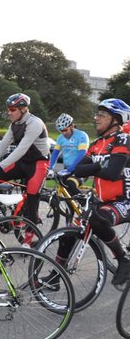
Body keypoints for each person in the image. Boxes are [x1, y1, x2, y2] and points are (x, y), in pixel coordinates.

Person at [57, 98, 130, 286]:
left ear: (116, 120)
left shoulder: (123, 140)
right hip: (104, 200)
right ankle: (56, 275)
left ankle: (123, 259)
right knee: (69, 234)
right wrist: (74, 180)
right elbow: (79, 170)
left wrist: (92, 168)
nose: (96, 118)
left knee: (97, 219)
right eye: (97, 114)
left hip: (125, 200)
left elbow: (113, 173)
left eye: (102, 115)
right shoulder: (98, 143)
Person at [0, 93, 49, 247]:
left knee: (32, 201)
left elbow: (20, 149)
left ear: (23, 109)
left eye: (12, 109)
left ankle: (27, 243)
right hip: (23, 162)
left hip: (38, 164)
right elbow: (3, 145)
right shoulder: (15, 124)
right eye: (8, 109)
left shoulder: (34, 123)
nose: (9, 112)